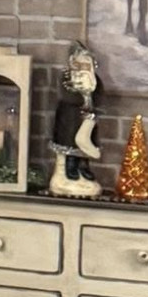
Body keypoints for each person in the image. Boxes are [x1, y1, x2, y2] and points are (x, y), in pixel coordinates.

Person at [48, 41, 102, 199]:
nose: (82, 68)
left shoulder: (95, 80)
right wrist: (82, 94)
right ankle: (70, 165)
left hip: (88, 118)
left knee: (87, 142)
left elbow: (100, 95)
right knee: (70, 141)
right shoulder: (66, 78)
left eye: (86, 64)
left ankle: (83, 166)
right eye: (79, 64)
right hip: (69, 117)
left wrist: (93, 98)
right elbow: (65, 95)